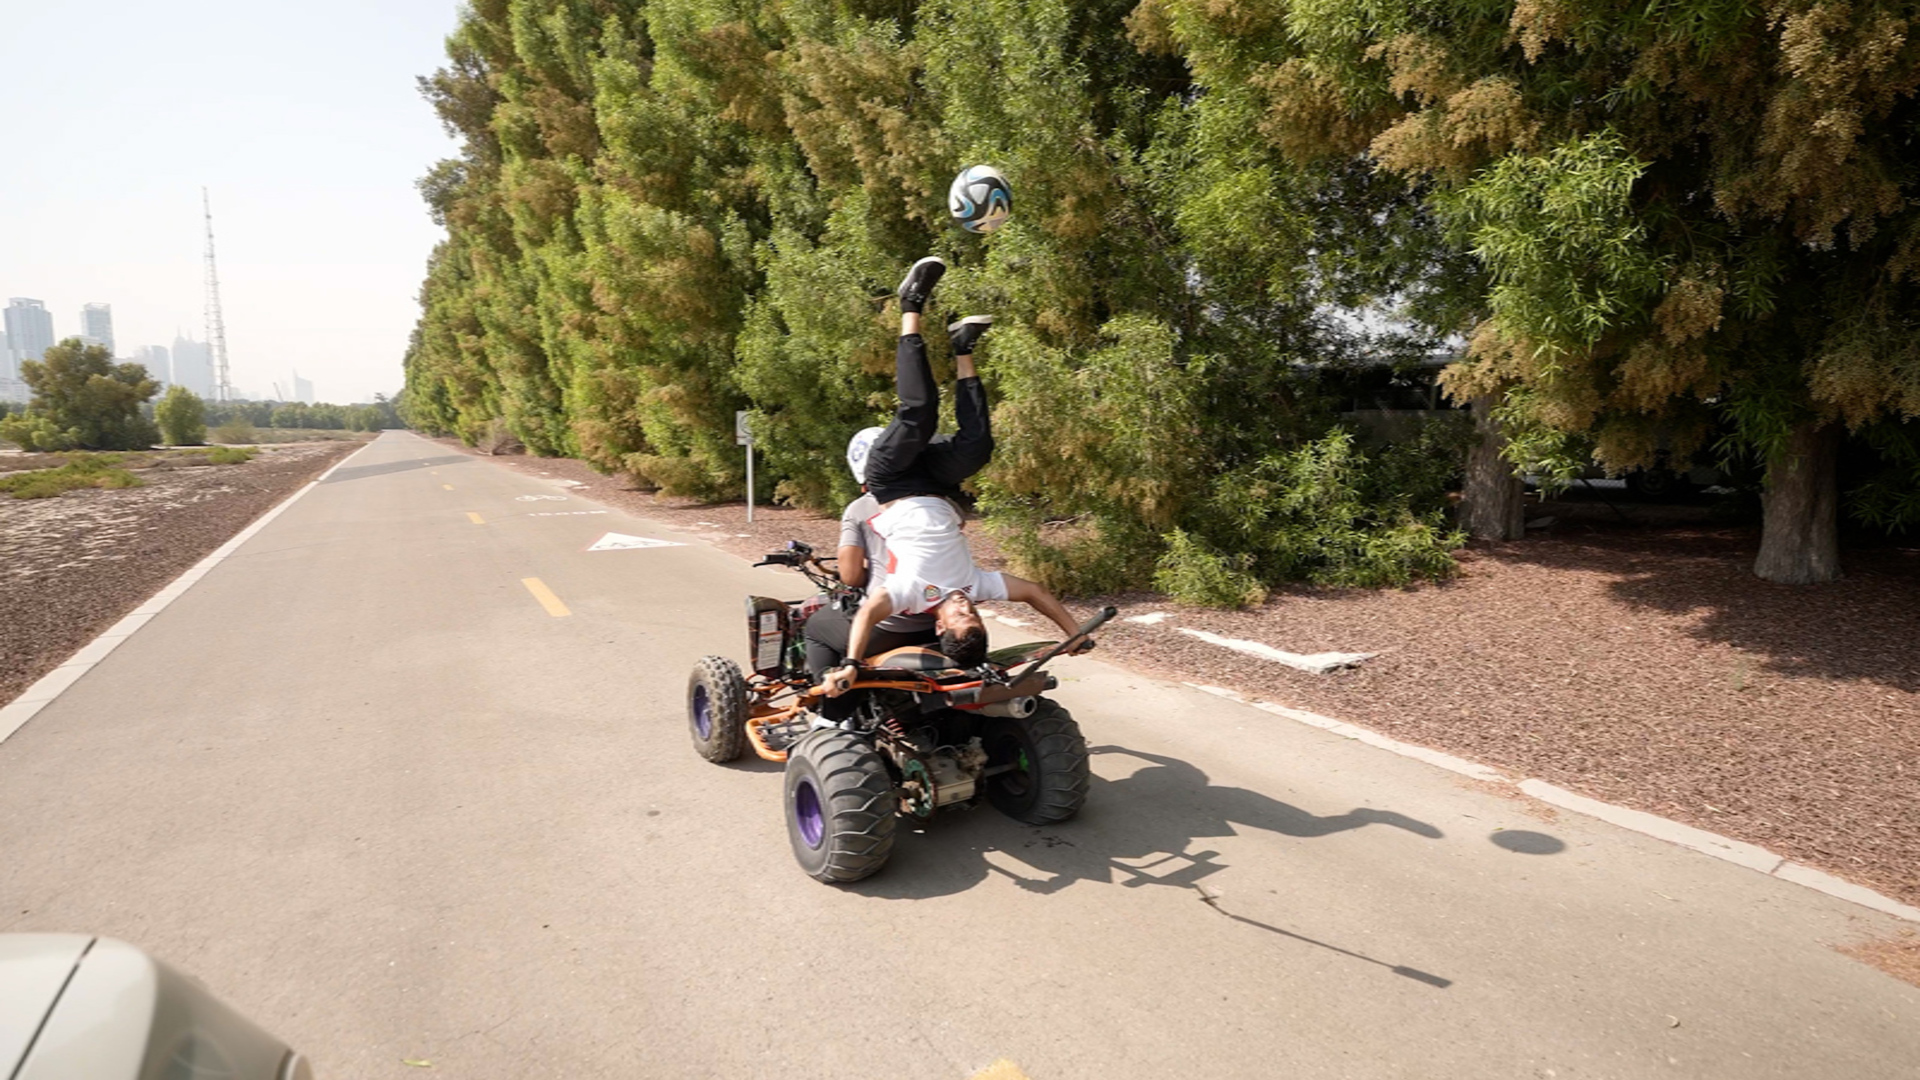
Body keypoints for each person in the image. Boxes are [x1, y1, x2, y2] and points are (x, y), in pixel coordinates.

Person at [815, 255, 1089, 701]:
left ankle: (910, 306)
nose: (965, 607)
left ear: (939, 624)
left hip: (893, 482)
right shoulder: (975, 585)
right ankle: (963, 347)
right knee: (978, 446)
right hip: (936, 484)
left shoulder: (909, 593)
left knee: (919, 415)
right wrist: (1073, 632)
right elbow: (1034, 591)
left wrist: (849, 663)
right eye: (974, 616)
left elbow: (866, 613)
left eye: (960, 616)